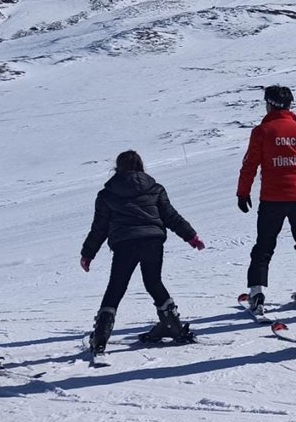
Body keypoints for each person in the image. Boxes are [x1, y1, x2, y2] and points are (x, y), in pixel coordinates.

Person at [81, 150, 205, 353]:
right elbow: (171, 216)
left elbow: (99, 228)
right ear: (140, 166)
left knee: (116, 287)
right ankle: (173, 326)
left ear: (117, 168)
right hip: (152, 241)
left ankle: (101, 337)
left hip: (125, 244)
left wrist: (88, 253)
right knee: (154, 282)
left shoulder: (107, 194)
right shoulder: (155, 188)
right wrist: (191, 237)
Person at [237, 85, 296, 310]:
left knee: (264, 245)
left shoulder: (262, 131)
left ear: (270, 104)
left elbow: (250, 165)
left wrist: (243, 192)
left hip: (273, 198)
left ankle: (256, 292)